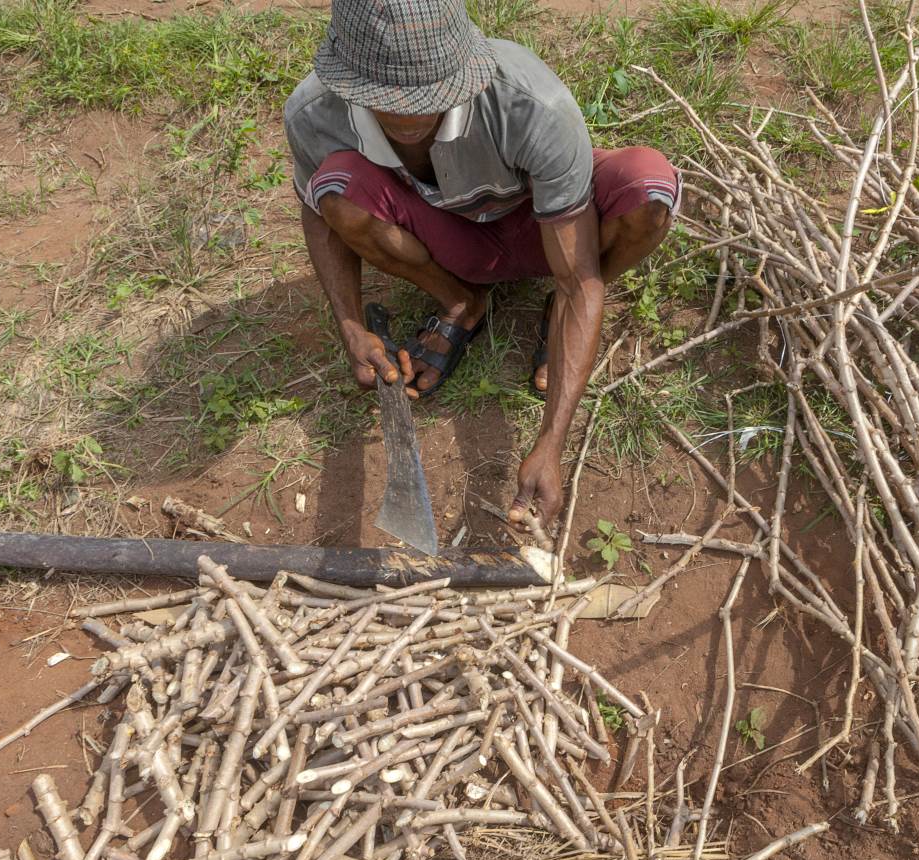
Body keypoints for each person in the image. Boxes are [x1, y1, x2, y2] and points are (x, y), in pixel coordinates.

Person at [284, 0, 679, 536]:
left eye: (425, 98)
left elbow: (578, 275)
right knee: (334, 191)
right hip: (446, 238)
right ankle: (461, 301)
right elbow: (317, 214)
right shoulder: (313, 115)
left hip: (544, 226)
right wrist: (351, 327)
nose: (406, 116)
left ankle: (555, 313)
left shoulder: (531, 103)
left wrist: (550, 444)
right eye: (385, 101)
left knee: (647, 188)